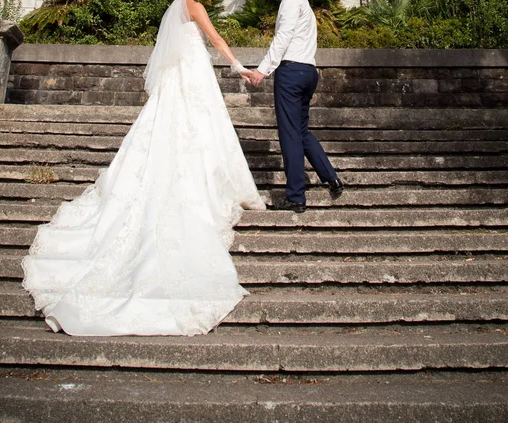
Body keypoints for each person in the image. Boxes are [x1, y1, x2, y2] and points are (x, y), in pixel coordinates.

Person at [21, 0, 266, 336]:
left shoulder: (173, 9)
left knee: (184, 132)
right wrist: (241, 68)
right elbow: (218, 41)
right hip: (194, 78)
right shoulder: (194, 7)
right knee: (201, 131)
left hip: (179, 80)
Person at [250, 0, 343, 213]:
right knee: (301, 132)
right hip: (308, 71)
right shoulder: (306, 7)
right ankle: (331, 178)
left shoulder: (291, 1)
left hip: (291, 72)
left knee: (290, 134)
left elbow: (283, 36)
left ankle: (296, 197)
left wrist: (262, 69)